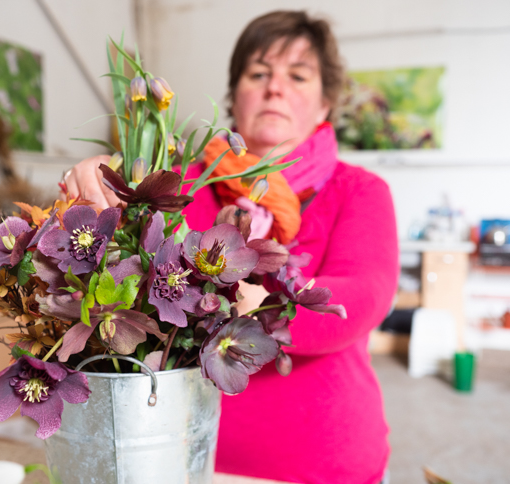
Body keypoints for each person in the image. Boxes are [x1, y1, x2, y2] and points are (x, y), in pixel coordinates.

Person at [64, 11, 398, 484]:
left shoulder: (360, 191)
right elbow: (128, 268)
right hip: (184, 460)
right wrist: (105, 184)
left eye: (297, 75)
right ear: (235, 96)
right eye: (258, 73)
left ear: (325, 104)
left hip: (326, 466)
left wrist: (251, 302)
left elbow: (361, 298)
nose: (274, 87)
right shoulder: (182, 186)